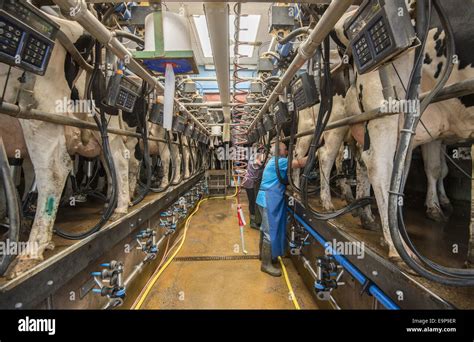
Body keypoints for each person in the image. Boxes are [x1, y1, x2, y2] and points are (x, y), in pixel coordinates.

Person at [256, 142, 307, 277]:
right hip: (268, 199)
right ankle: (266, 265)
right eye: (285, 149)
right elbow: (300, 163)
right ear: (280, 151)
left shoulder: (273, 161)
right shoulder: (280, 161)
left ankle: (263, 255)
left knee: (263, 228)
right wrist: (318, 152)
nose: (286, 152)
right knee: (268, 232)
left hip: (262, 198)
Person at [241, 147, 264, 230]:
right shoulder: (256, 158)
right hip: (250, 183)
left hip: (249, 182)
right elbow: (257, 162)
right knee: (253, 202)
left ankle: (254, 220)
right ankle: (253, 222)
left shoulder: (254, 156)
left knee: (253, 202)